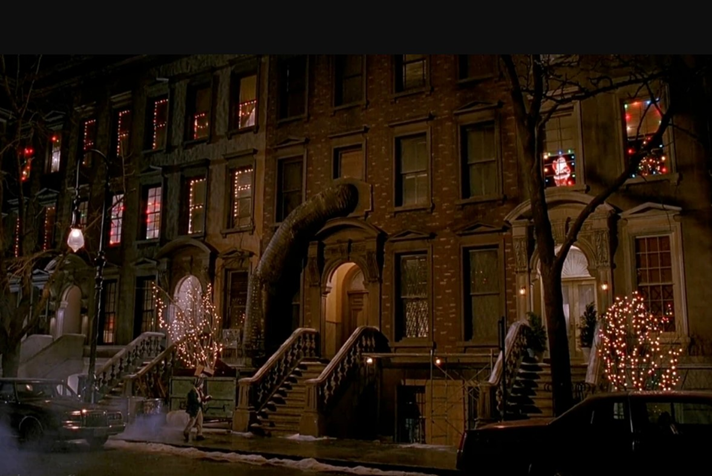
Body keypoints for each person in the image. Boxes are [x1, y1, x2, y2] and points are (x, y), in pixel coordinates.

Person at [183, 373, 211, 441]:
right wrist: (200, 400)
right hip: (194, 408)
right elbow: (193, 400)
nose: (202, 385)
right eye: (202, 384)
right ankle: (186, 432)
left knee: (200, 421)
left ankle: (199, 434)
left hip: (199, 407)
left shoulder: (199, 391)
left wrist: (206, 398)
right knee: (193, 421)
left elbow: (201, 399)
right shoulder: (193, 391)